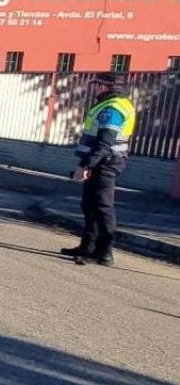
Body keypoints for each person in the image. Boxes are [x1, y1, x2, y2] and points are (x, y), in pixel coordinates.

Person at [62, 73, 136, 266]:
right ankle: (87, 247)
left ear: (105, 86)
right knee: (89, 205)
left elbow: (104, 142)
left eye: (97, 85)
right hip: (101, 161)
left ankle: (104, 253)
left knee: (103, 207)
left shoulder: (112, 108)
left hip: (106, 162)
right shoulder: (109, 104)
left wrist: (87, 165)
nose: (94, 88)